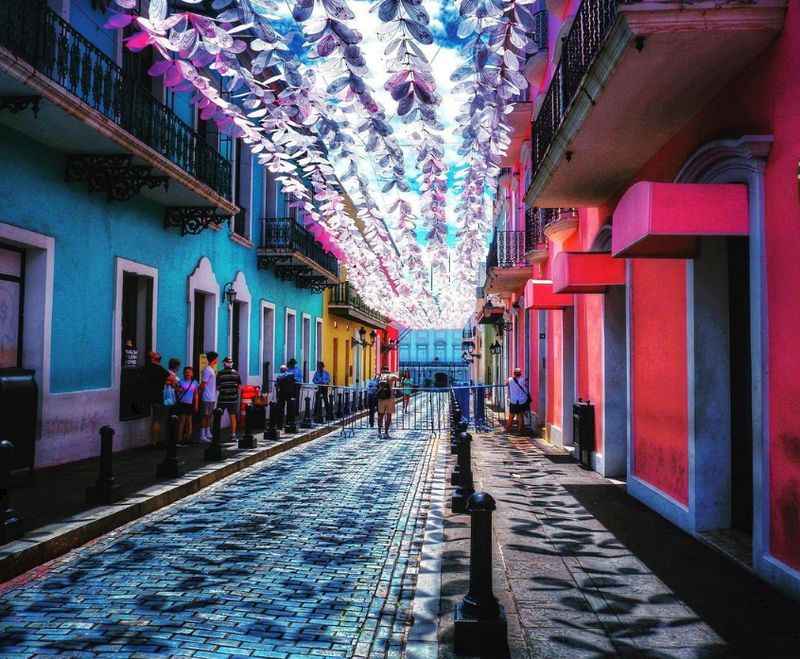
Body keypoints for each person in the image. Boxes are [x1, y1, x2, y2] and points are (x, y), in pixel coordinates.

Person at [143, 351, 169, 448]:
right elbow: (172, 378)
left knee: (155, 418)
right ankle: (157, 441)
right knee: (158, 419)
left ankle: (154, 441)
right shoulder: (160, 369)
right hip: (158, 395)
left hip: (148, 394)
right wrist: (166, 381)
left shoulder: (146, 368)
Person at [217, 357, 242, 439]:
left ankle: (216, 433)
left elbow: (217, 386)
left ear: (224, 363)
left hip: (222, 398)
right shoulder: (236, 373)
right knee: (233, 416)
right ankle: (233, 434)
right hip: (233, 399)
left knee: (218, 415)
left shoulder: (220, 373)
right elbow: (239, 386)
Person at [198, 351, 218, 443]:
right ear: (214, 359)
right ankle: (202, 434)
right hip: (206, 396)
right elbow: (203, 384)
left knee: (209, 416)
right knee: (204, 416)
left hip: (211, 397)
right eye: (216, 358)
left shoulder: (211, 369)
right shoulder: (207, 370)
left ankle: (207, 432)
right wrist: (200, 394)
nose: (217, 360)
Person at [176, 366, 199, 444]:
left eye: (189, 372)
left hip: (190, 404)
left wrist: (196, 405)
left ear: (192, 373)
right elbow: (177, 391)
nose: (187, 374)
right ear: (183, 373)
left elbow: (196, 394)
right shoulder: (180, 382)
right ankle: (179, 439)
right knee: (182, 421)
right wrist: (178, 389)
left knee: (189, 421)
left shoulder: (195, 382)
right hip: (182, 403)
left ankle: (188, 438)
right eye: (186, 372)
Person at [376, 366, 398, 438]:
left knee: (380, 416)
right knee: (388, 416)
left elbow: (375, 382)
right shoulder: (391, 376)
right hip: (390, 398)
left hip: (381, 398)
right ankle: (386, 433)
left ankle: (379, 432)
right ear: (388, 370)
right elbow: (398, 378)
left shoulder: (379, 376)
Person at [507, 367, 530, 434]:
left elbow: (506, 383)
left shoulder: (510, 380)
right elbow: (526, 385)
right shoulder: (523, 380)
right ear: (520, 374)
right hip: (521, 400)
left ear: (514, 373)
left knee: (511, 415)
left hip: (513, 400)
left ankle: (508, 428)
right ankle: (520, 430)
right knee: (520, 415)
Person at [275, 364, 296, 429]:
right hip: (289, 394)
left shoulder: (279, 376)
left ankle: (280, 425)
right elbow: (294, 382)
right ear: (286, 369)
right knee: (289, 409)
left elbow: (277, 385)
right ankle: (288, 423)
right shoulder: (291, 375)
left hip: (281, 394)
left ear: (281, 370)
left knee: (281, 410)